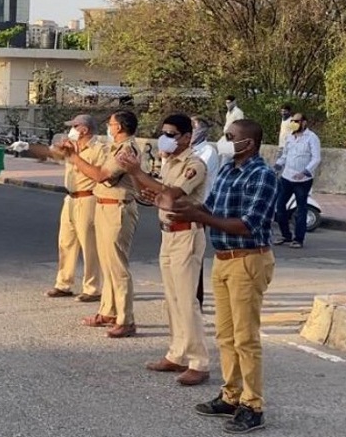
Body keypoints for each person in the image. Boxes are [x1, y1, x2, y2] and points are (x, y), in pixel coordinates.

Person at [167, 119, 277, 434]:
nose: (225, 142)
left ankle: (253, 405)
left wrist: (200, 216)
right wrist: (184, 207)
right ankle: (230, 395)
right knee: (225, 336)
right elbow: (210, 208)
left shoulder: (263, 176)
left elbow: (248, 224)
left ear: (250, 144)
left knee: (246, 338)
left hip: (248, 259)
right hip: (224, 259)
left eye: (231, 137)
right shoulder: (228, 170)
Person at [117, 114, 211, 386]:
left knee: (187, 299)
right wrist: (139, 178)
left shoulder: (194, 165)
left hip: (187, 234)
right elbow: (150, 195)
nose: (165, 138)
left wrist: (138, 173)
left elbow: (170, 195)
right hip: (168, 235)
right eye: (164, 133)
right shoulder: (168, 162)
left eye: (171, 134)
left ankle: (199, 361)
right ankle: (177, 352)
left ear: (186, 137)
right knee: (171, 298)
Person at [66, 110, 141, 338]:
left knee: (117, 267)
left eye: (111, 123)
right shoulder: (115, 147)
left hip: (117, 208)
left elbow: (102, 175)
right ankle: (108, 311)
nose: (109, 127)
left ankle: (126, 319)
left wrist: (76, 159)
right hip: (104, 205)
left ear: (119, 127)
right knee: (107, 264)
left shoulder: (126, 149)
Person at [45, 114, 105, 302]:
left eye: (74, 126)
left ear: (84, 130)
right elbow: (51, 155)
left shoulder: (98, 148)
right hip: (70, 197)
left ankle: (92, 287)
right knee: (66, 242)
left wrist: (75, 156)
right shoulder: (73, 147)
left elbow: (99, 175)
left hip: (88, 197)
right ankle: (63, 283)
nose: (71, 130)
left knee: (89, 244)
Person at [273, 113, 321, 249]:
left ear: (304, 122)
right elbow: (285, 155)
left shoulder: (312, 138)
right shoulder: (290, 137)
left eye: (297, 121)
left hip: (303, 179)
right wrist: (277, 165)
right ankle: (285, 235)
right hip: (287, 177)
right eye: (292, 121)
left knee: (301, 209)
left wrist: (305, 171)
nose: (294, 123)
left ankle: (298, 238)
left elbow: (316, 158)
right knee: (280, 207)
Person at [190, 116, 220, 312]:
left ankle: (196, 299)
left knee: (195, 254)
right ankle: (186, 296)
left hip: (201, 205)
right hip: (186, 205)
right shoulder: (188, 151)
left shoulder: (208, 151)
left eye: (195, 128)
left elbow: (192, 173)